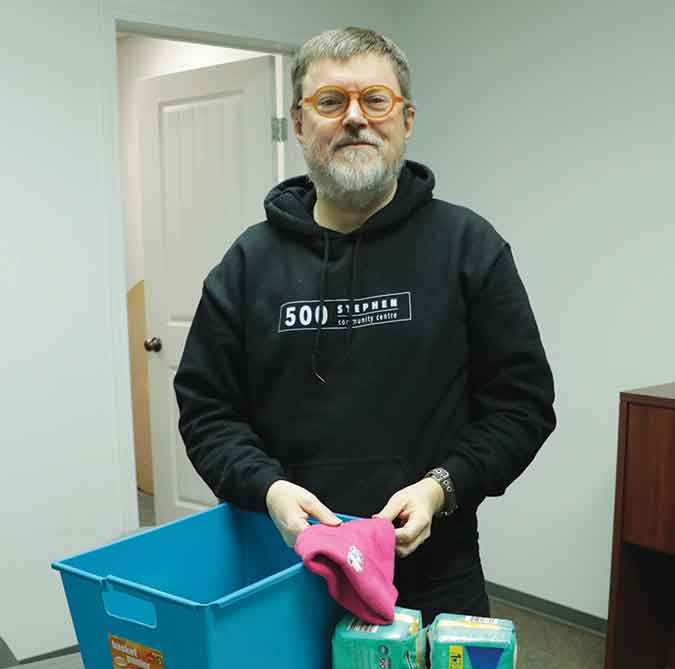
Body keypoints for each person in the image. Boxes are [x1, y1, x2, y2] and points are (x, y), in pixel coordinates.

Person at [174, 26, 556, 626]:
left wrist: (441, 487)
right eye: (331, 102)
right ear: (299, 124)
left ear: (404, 119)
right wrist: (268, 490)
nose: (355, 118)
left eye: (374, 100)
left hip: (435, 574)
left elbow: (522, 405)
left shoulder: (468, 246)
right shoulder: (248, 265)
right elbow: (206, 411)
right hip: (290, 572)